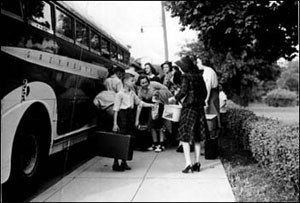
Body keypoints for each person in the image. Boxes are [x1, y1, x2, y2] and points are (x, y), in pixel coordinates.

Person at [168, 56, 208, 173]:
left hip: (189, 108)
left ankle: (188, 164)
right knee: (197, 137)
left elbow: (184, 91)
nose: (179, 69)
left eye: (180, 67)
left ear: (185, 67)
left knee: (185, 136)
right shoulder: (199, 76)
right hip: (199, 108)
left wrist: (174, 98)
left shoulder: (185, 76)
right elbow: (205, 93)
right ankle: (197, 163)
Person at [112, 73, 154, 171]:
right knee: (120, 140)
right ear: (126, 82)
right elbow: (116, 109)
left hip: (130, 115)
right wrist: (115, 123)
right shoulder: (119, 94)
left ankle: (124, 162)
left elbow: (139, 102)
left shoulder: (132, 93)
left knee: (128, 139)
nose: (134, 82)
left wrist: (152, 105)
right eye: (132, 80)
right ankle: (115, 163)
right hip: (122, 116)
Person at [136, 74, 173, 152]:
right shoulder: (140, 91)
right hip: (152, 106)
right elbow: (140, 104)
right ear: (139, 84)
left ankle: (161, 144)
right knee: (151, 125)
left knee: (160, 124)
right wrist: (137, 119)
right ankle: (155, 143)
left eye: (146, 82)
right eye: (142, 83)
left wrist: (158, 93)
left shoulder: (153, 84)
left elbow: (165, 89)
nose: (145, 84)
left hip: (161, 104)